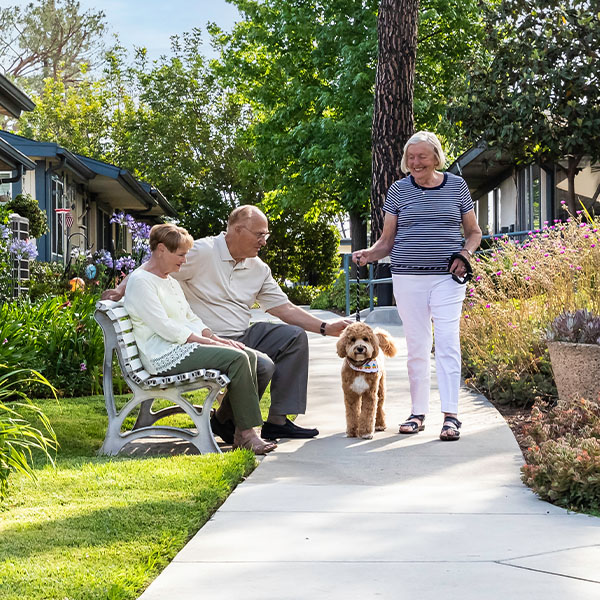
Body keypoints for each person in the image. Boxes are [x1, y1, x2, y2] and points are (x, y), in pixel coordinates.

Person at [103, 205, 351, 442]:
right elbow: (156, 268)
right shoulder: (203, 251)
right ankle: (232, 423)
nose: (264, 241)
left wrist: (324, 327)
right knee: (251, 361)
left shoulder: (258, 268)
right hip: (201, 339)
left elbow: (284, 308)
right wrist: (121, 289)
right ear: (238, 230)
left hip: (239, 334)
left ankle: (277, 421)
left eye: (266, 234)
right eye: (260, 234)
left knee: (293, 337)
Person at [353, 131, 482, 441]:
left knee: (448, 342)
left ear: (436, 157)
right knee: (418, 346)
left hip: (447, 278)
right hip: (408, 277)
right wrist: (369, 254)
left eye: (422, 156)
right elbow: (387, 241)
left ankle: (451, 416)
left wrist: (465, 255)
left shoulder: (456, 186)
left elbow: (474, 233)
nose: (415, 162)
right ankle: (418, 413)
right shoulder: (398, 191)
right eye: (411, 157)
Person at [123, 223, 276, 455]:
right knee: (238, 359)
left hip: (181, 347)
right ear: (162, 249)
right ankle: (247, 434)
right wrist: (212, 344)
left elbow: (190, 317)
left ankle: (237, 431)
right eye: (181, 254)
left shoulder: (170, 281)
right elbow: (166, 328)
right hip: (162, 355)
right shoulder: (141, 282)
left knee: (250, 356)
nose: (184, 261)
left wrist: (216, 338)